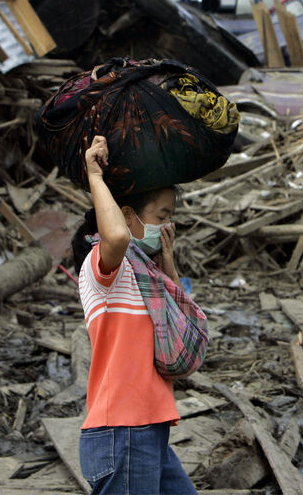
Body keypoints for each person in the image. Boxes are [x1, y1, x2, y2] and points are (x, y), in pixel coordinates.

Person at [73, 135, 198, 495]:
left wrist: (169, 268)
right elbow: (115, 239)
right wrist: (95, 177)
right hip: (122, 431)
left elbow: (184, 335)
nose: (168, 226)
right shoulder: (102, 267)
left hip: (148, 429)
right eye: (162, 216)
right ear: (127, 216)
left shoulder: (149, 280)